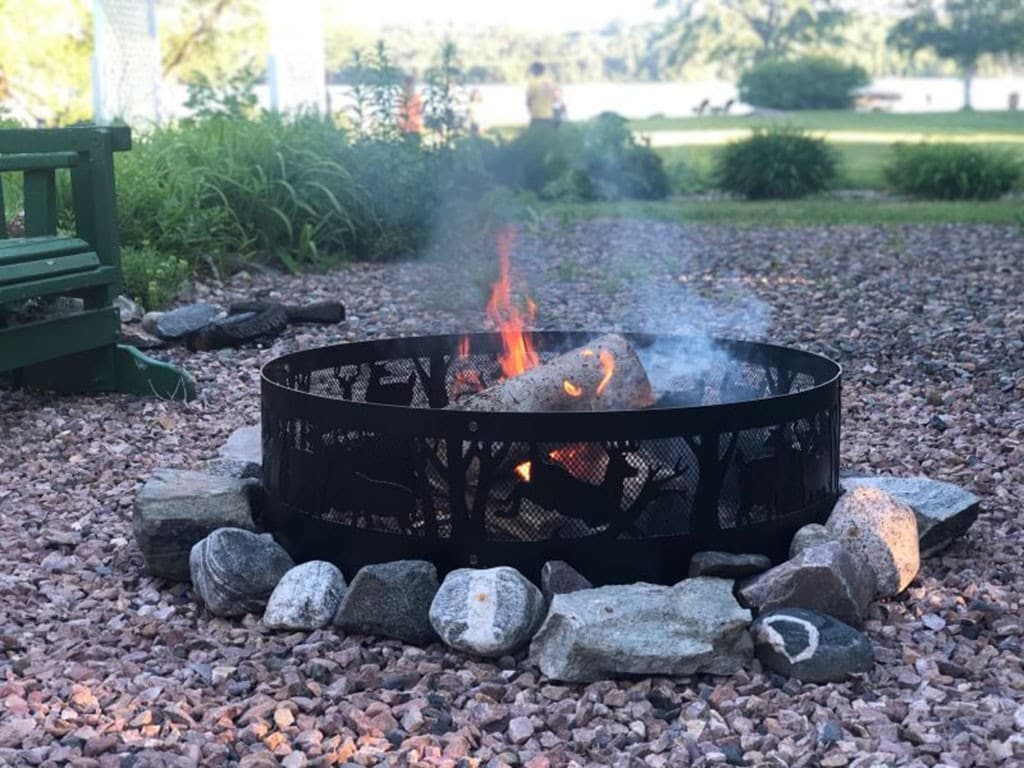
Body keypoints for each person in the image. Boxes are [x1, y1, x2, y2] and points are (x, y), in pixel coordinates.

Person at [526, 62, 557, 127]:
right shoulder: (550, 83)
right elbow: (555, 98)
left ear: (535, 70)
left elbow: (528, 101)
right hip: (549, 115)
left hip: (537, 116)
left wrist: (530, 111)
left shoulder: (533, 83)